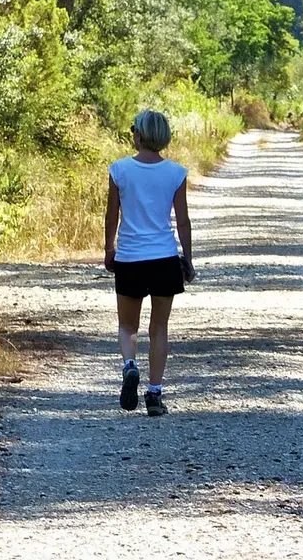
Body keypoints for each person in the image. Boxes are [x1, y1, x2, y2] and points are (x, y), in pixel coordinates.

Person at [104, 109, 195, 416]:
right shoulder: (176, 173)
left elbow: (112, 216)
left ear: (140, 135)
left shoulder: (119, 170)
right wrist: (188, 259)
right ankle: (154, 394)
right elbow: (183, 221)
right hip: (164, 258)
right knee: (159, 328)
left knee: (127, 325)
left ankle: (130, 364)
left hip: (130, 256)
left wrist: (109, 248)